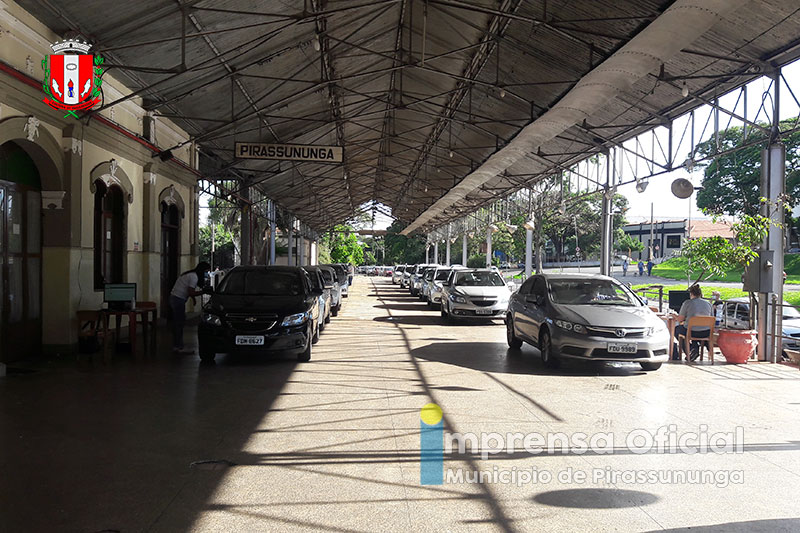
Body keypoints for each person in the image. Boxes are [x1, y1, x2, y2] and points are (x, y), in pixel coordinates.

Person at [170, 261, 211, 354]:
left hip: (175, 298)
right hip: (178, 299)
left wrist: (193, 298)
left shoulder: (190, 274)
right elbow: (191, 292)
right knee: (179, 323)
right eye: (206, 271)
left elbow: (188, 290)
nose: (207, 274)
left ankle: (177, 345)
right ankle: (178, 346)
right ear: (202, 270)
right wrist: (203, 292)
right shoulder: (194, 277)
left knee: (178, 322)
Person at [674, 284, 713, 361]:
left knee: (677, 330)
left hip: (691, 331)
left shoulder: (687, 303)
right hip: (706, 332)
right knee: (694, 328)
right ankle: (694, 349)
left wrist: (674, 315)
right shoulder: (708, 304)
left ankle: (691, 350)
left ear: (691, 294)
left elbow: (680, 319)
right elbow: (711, 317)